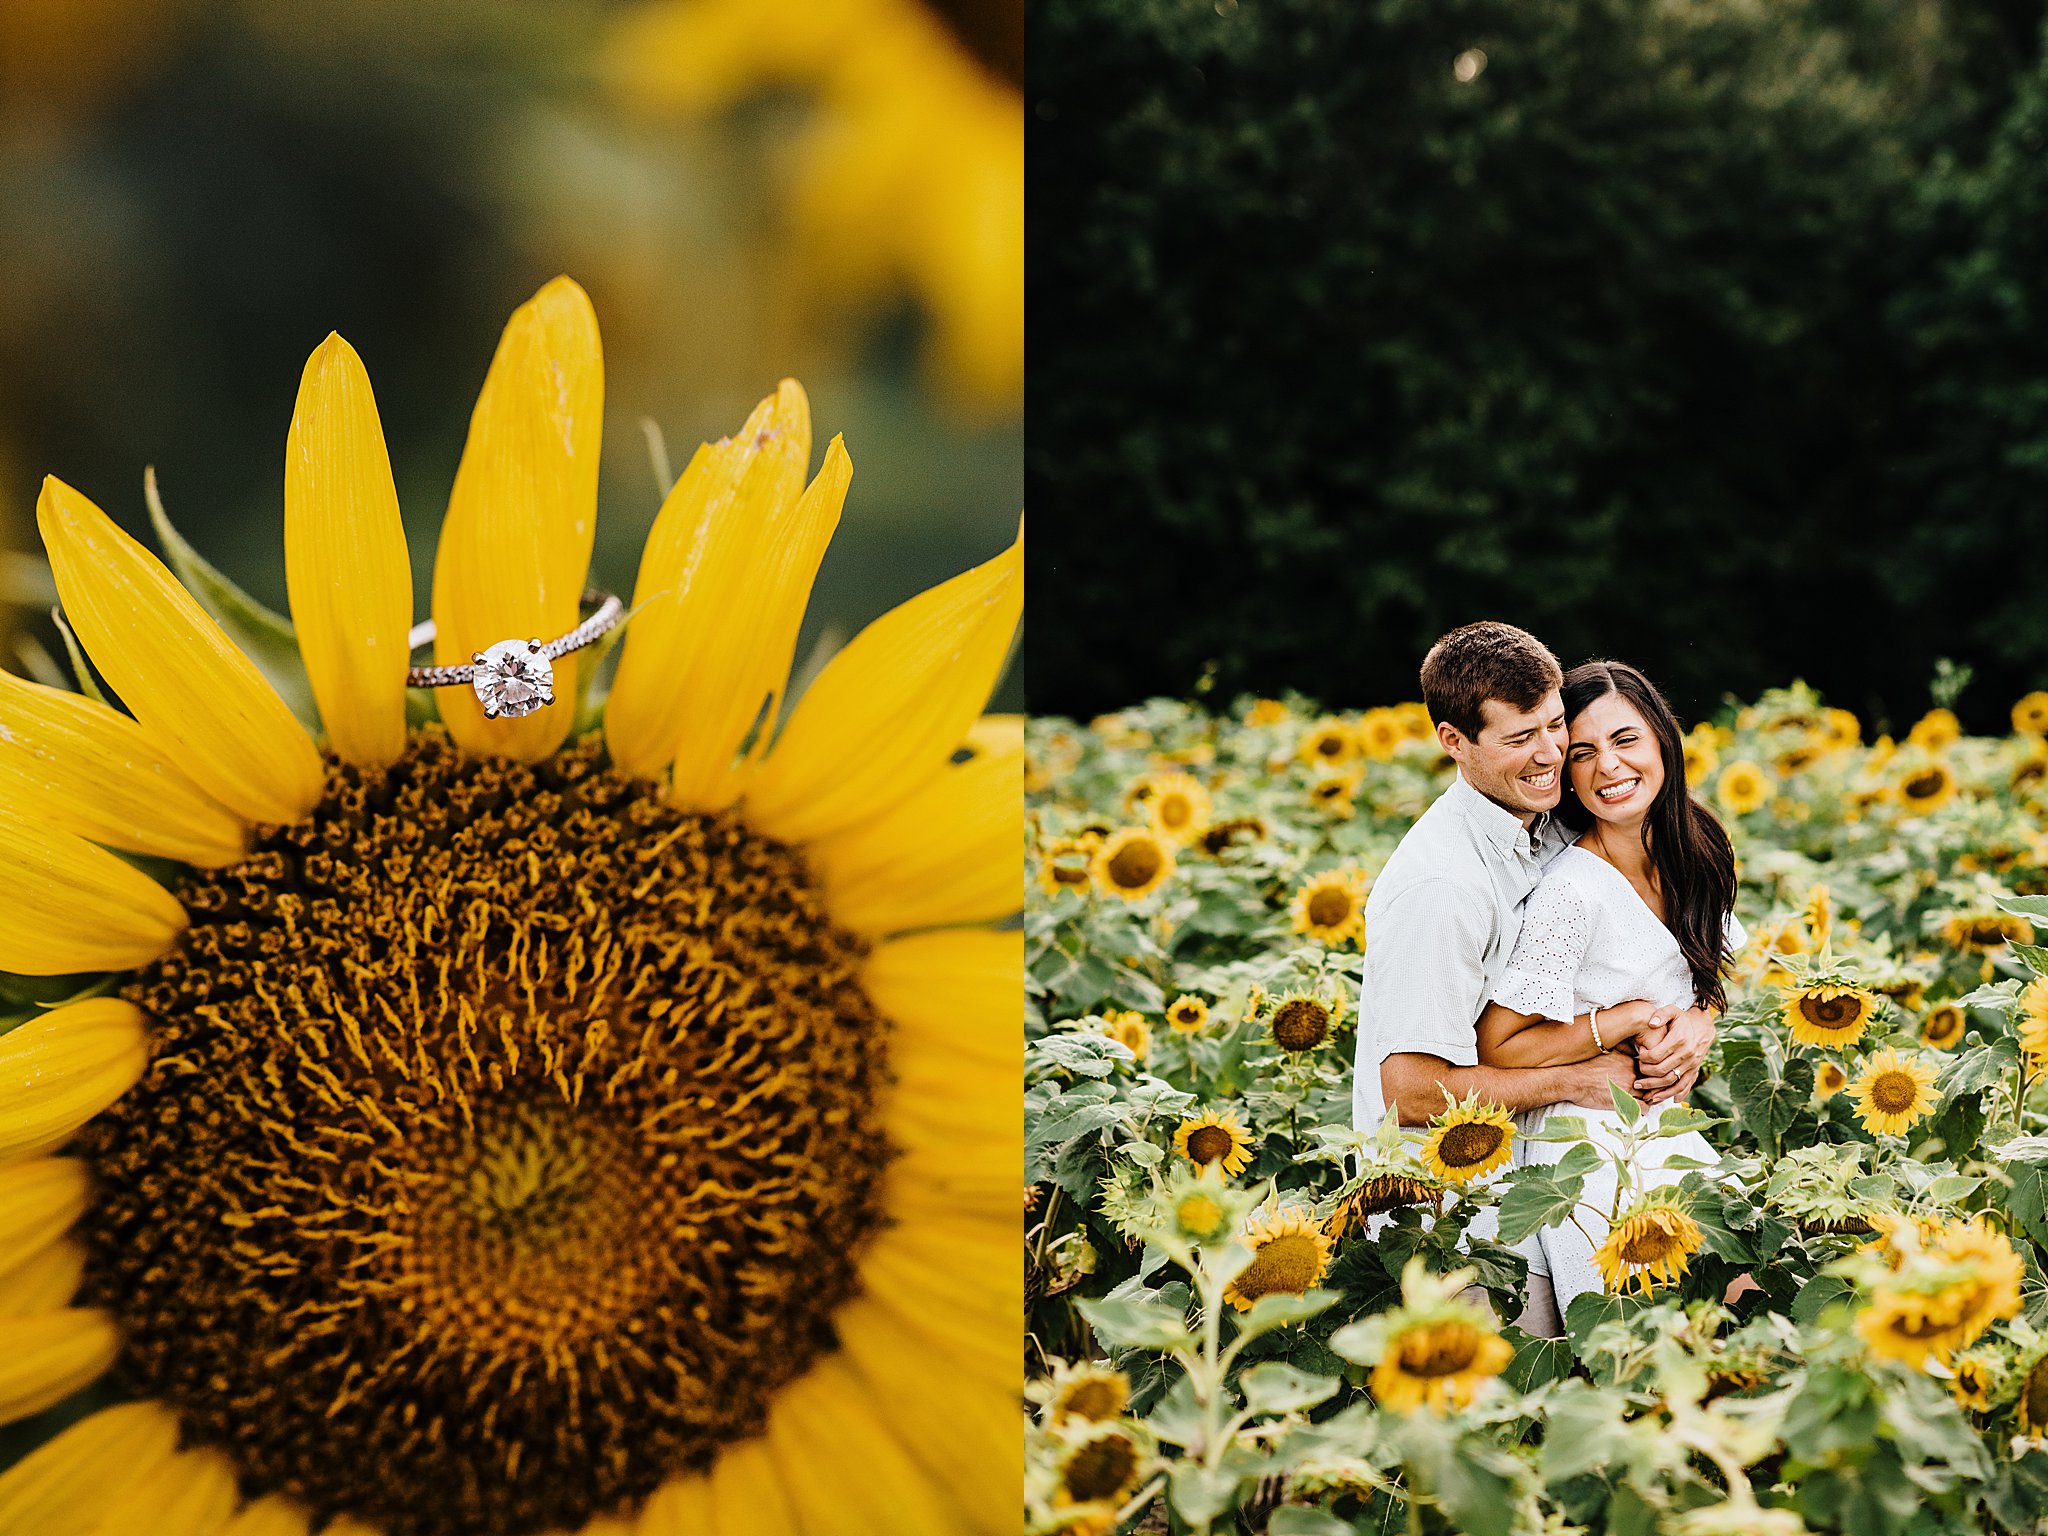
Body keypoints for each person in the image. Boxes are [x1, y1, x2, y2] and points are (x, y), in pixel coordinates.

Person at [1352, 624, 1718, 1326]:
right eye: (1521, 739)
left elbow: (1657, 945)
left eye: (1555, 726)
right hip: (1452, 1207)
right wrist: (1579, 1078)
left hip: (1552, 1163)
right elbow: (1408, 1091)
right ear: (1454, 742)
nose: (1551, 754)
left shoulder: (1543, 817)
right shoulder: (1444, 886)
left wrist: (1695, 1021)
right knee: (1523, 1398)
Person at [1476, 659, 1742, 1323]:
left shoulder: (1700, 844)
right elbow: (1500, 1047)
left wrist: (1701, 1023)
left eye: (1625, 740)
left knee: (1742, 1289)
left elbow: (1708, 968)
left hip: (1661, 1122)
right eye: (1583, 753)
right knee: (1634, 1331)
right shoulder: (1573, 891)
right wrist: (1621, 1018)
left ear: (1661, 741)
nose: (1608, 768)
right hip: (1584, 1143)